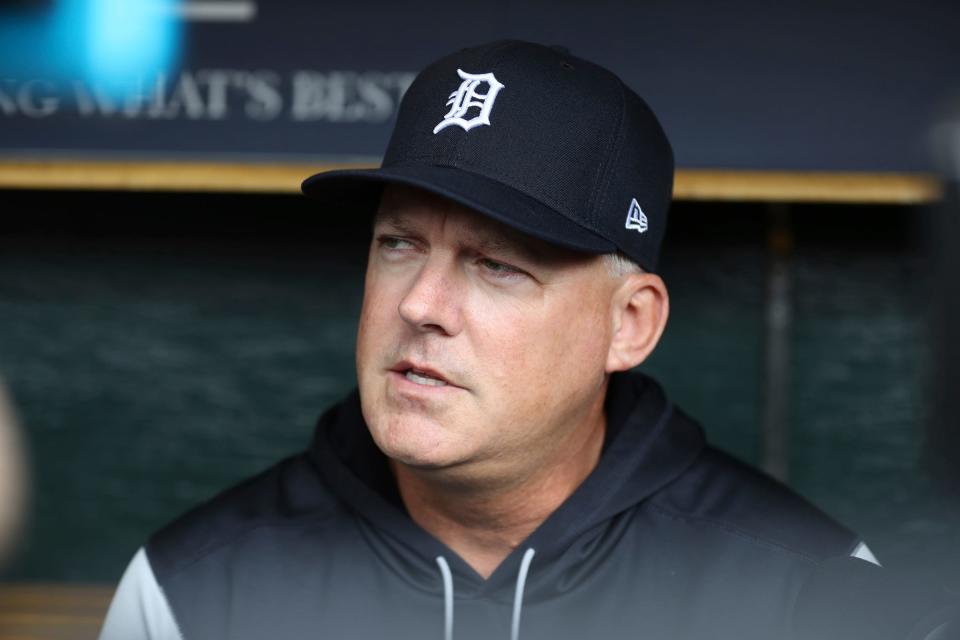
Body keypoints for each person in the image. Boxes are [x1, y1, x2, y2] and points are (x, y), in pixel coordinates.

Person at [99, 40, 878, 640]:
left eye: (497, 265)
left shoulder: (811, 593)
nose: (422, 305)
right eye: (399, 244)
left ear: (629, 323)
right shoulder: (191, 591)